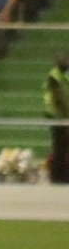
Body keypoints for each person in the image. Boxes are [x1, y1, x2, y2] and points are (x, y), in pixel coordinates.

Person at [46, 51, 69, 184]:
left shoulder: (60, 75)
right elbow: (59, 99)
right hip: (59, 118)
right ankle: (59, 177)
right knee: (61, 149)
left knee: (62, 148)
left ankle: (61, 176)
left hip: (60, 117)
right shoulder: (55, 78)